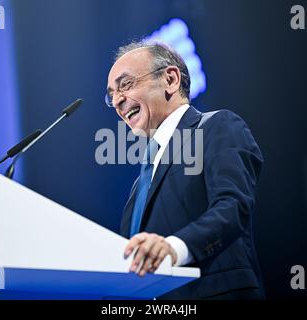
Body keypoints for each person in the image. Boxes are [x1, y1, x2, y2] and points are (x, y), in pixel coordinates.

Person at [105, 41, 265, 299]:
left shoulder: (217, 127)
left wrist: (174, 248)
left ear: (170, 79)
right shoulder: (140, 182)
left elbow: (233, 206)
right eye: (111, 94)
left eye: (126, 85)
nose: (117, 101)